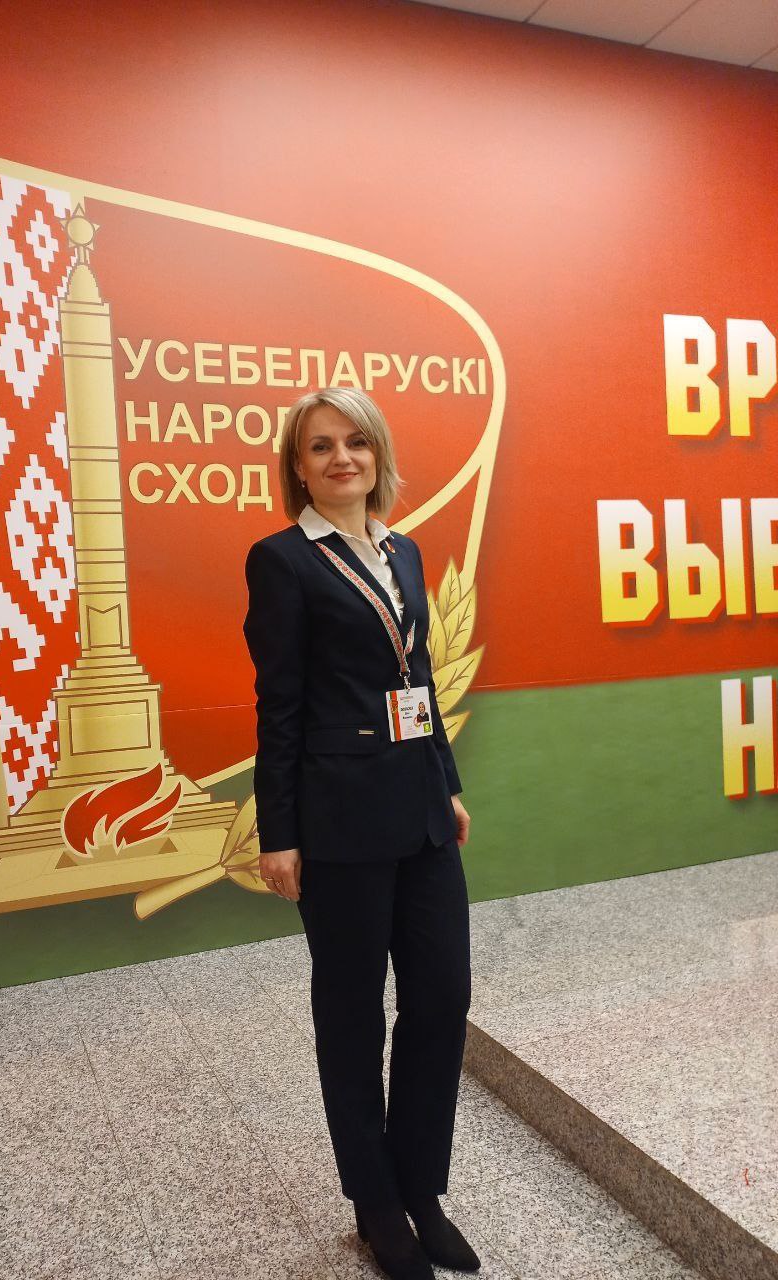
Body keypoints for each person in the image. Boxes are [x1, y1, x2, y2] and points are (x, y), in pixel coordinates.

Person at [243, 387, 480, 1279]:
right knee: (351, 1017)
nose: (341, 458)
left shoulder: (403, 549)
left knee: (441, 999)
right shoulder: (282, 561)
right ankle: (377, 1206)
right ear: (298, 468)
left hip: (419, 811)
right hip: (338, 821)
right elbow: (279, 706)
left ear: (377, 455)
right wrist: (279, 832)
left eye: (355, 442)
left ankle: (422, 1188)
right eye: (320, 447)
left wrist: (445, 783)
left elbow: (419, 679)